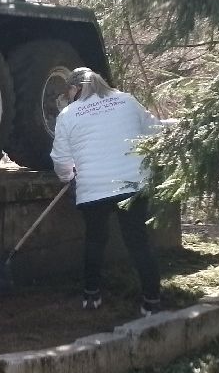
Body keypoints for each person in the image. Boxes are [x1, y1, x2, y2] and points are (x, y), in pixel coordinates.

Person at [50, 67, 163, 314]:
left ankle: (91, 295)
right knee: (138, 241)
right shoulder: (128, 101)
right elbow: (154, 130)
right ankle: (152, 300)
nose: (69, 96)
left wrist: (68, 177)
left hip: (93, 188)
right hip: (132, 183)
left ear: (76, 88)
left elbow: (60, 159)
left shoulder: (68, 115)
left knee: (95, 239)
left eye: (69, 91)